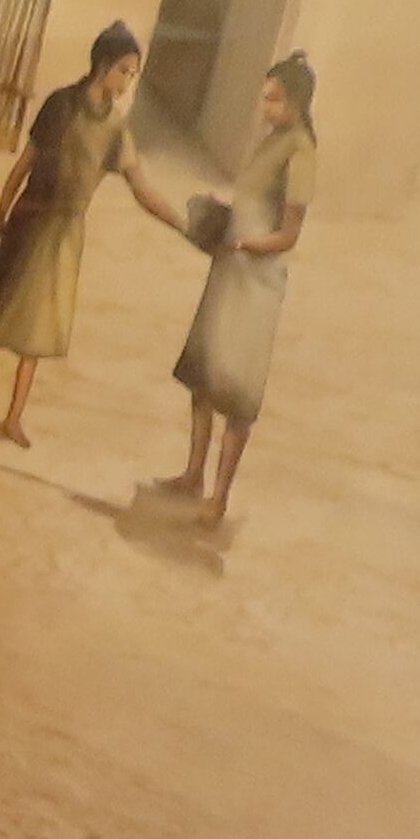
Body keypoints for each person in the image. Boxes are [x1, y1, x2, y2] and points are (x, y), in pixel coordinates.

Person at [0, 18, 172, 445]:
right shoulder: (59, 105)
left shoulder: (115, 129)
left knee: (37, 329)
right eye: (125, 71)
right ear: (103, 65)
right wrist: (1, 211)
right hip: (30, 221)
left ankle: (13, 417)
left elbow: (139, 185)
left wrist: (179, 222)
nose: (129, 81)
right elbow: (26, 161)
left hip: (65, 235)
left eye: (134, 74)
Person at [157, 52, 319, 522]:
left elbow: (290, 233)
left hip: (257, 281)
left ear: (296, 102)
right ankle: (193, 476)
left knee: (237, 388)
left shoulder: (301, 151)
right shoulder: (272, 141)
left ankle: (220, 497)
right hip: (231, 268)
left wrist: (246, 243)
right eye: (264, 98)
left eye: (273, 99)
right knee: (205, 374)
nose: (264, 107)